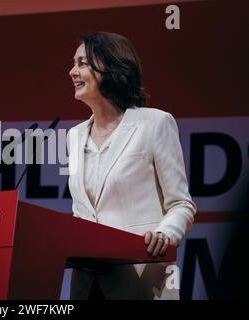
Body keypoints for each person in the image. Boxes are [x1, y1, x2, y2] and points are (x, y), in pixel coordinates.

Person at [67, 32, 196, 300]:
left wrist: (165, 234)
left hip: (141, 280)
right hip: (86, 284)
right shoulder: (74, 136)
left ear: (109, 66)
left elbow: (181, 205)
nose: (72, 72)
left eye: (82, 63)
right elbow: (83, 213)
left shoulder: (155, 123)